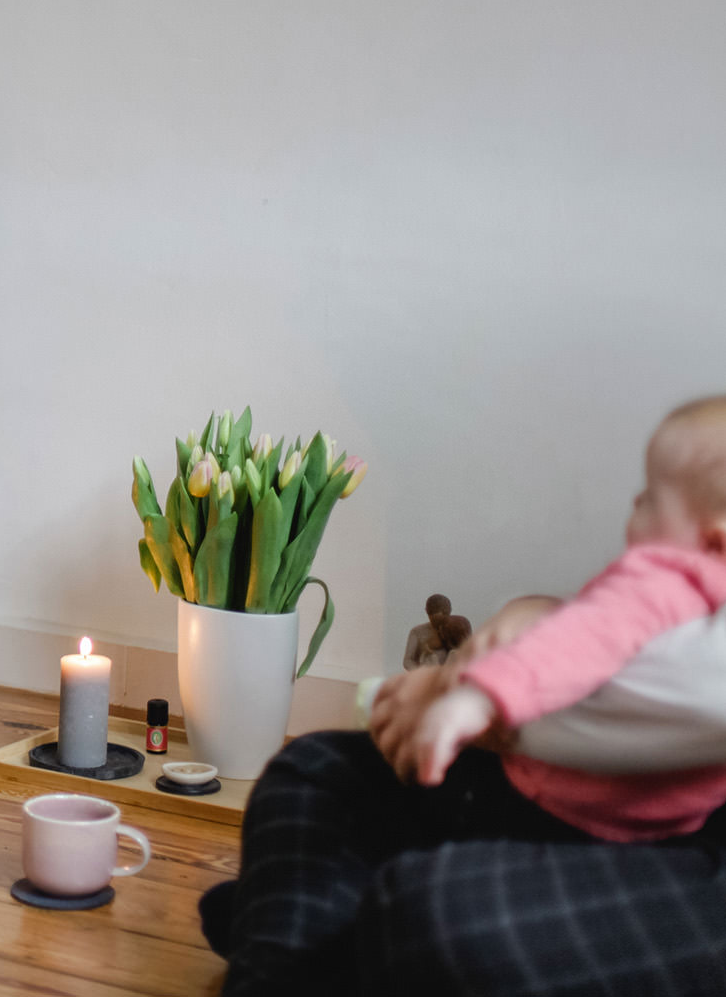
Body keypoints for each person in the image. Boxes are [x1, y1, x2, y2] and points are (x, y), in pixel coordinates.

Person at [202, 396, 726, 996]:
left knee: (426, 907)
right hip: (559, 793)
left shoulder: (666, 577)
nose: (633, 506)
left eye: (651, 498)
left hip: (641, 828)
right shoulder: (683, 590)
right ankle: (295, 950)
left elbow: (602, 643)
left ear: (714, 540)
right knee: (311, 774)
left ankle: (301, 937)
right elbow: (597, 635)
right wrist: (533, 617)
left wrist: (468, 696)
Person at [401, 593, 472, 670]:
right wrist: (421, 674)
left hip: (450, 674)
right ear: (427, 612)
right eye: (433, 619)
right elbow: (408, 661)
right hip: (427, 673)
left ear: (449, 612)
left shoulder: (456, 627)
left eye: (442, 620)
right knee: (431, 657)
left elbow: (468, 652)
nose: (438, 627)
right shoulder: (417, 632)